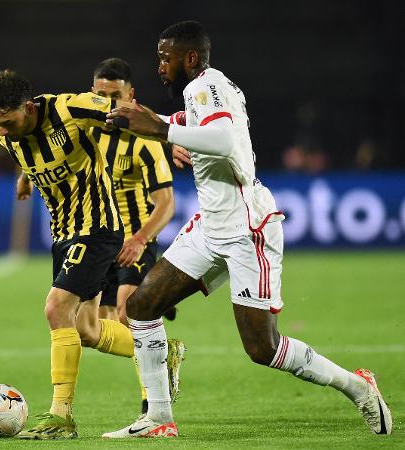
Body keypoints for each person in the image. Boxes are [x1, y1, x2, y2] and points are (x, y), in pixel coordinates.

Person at [102, 20, 393, 438]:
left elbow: (223, 141)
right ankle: (159, 419)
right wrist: (161, 125)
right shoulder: (200, 91)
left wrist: (162, 129)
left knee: (262, 348)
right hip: (210, 225)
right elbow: (199, 128)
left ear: (191, 58)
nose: (159, 66)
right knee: (142, 306)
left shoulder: (207, 84)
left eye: (166, 57)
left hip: (246, 229)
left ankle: (358, 386)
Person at [0, 69, 183, 440]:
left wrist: (168, 137)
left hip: (96, 229)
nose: (4, 131)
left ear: (28, 108)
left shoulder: (70, 109)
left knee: (56, 308)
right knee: (86, 330)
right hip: (63, 236)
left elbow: (122, 109)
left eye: (10, 122)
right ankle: (159, 349)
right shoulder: (3, 127)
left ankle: (61, 416)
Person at [16, 57, 182, 416]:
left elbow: (166, 203)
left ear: (130, 95)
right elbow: (51, 151)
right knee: (90, 330)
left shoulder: (144, 142)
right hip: (92, 233)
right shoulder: (87, 129)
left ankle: (150, 402)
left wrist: (138, 239)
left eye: (115, 95)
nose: (108, 101)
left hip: (132, 240)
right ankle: (163, 354)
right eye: (101, 93)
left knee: (126, 311)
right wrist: (28, 175)